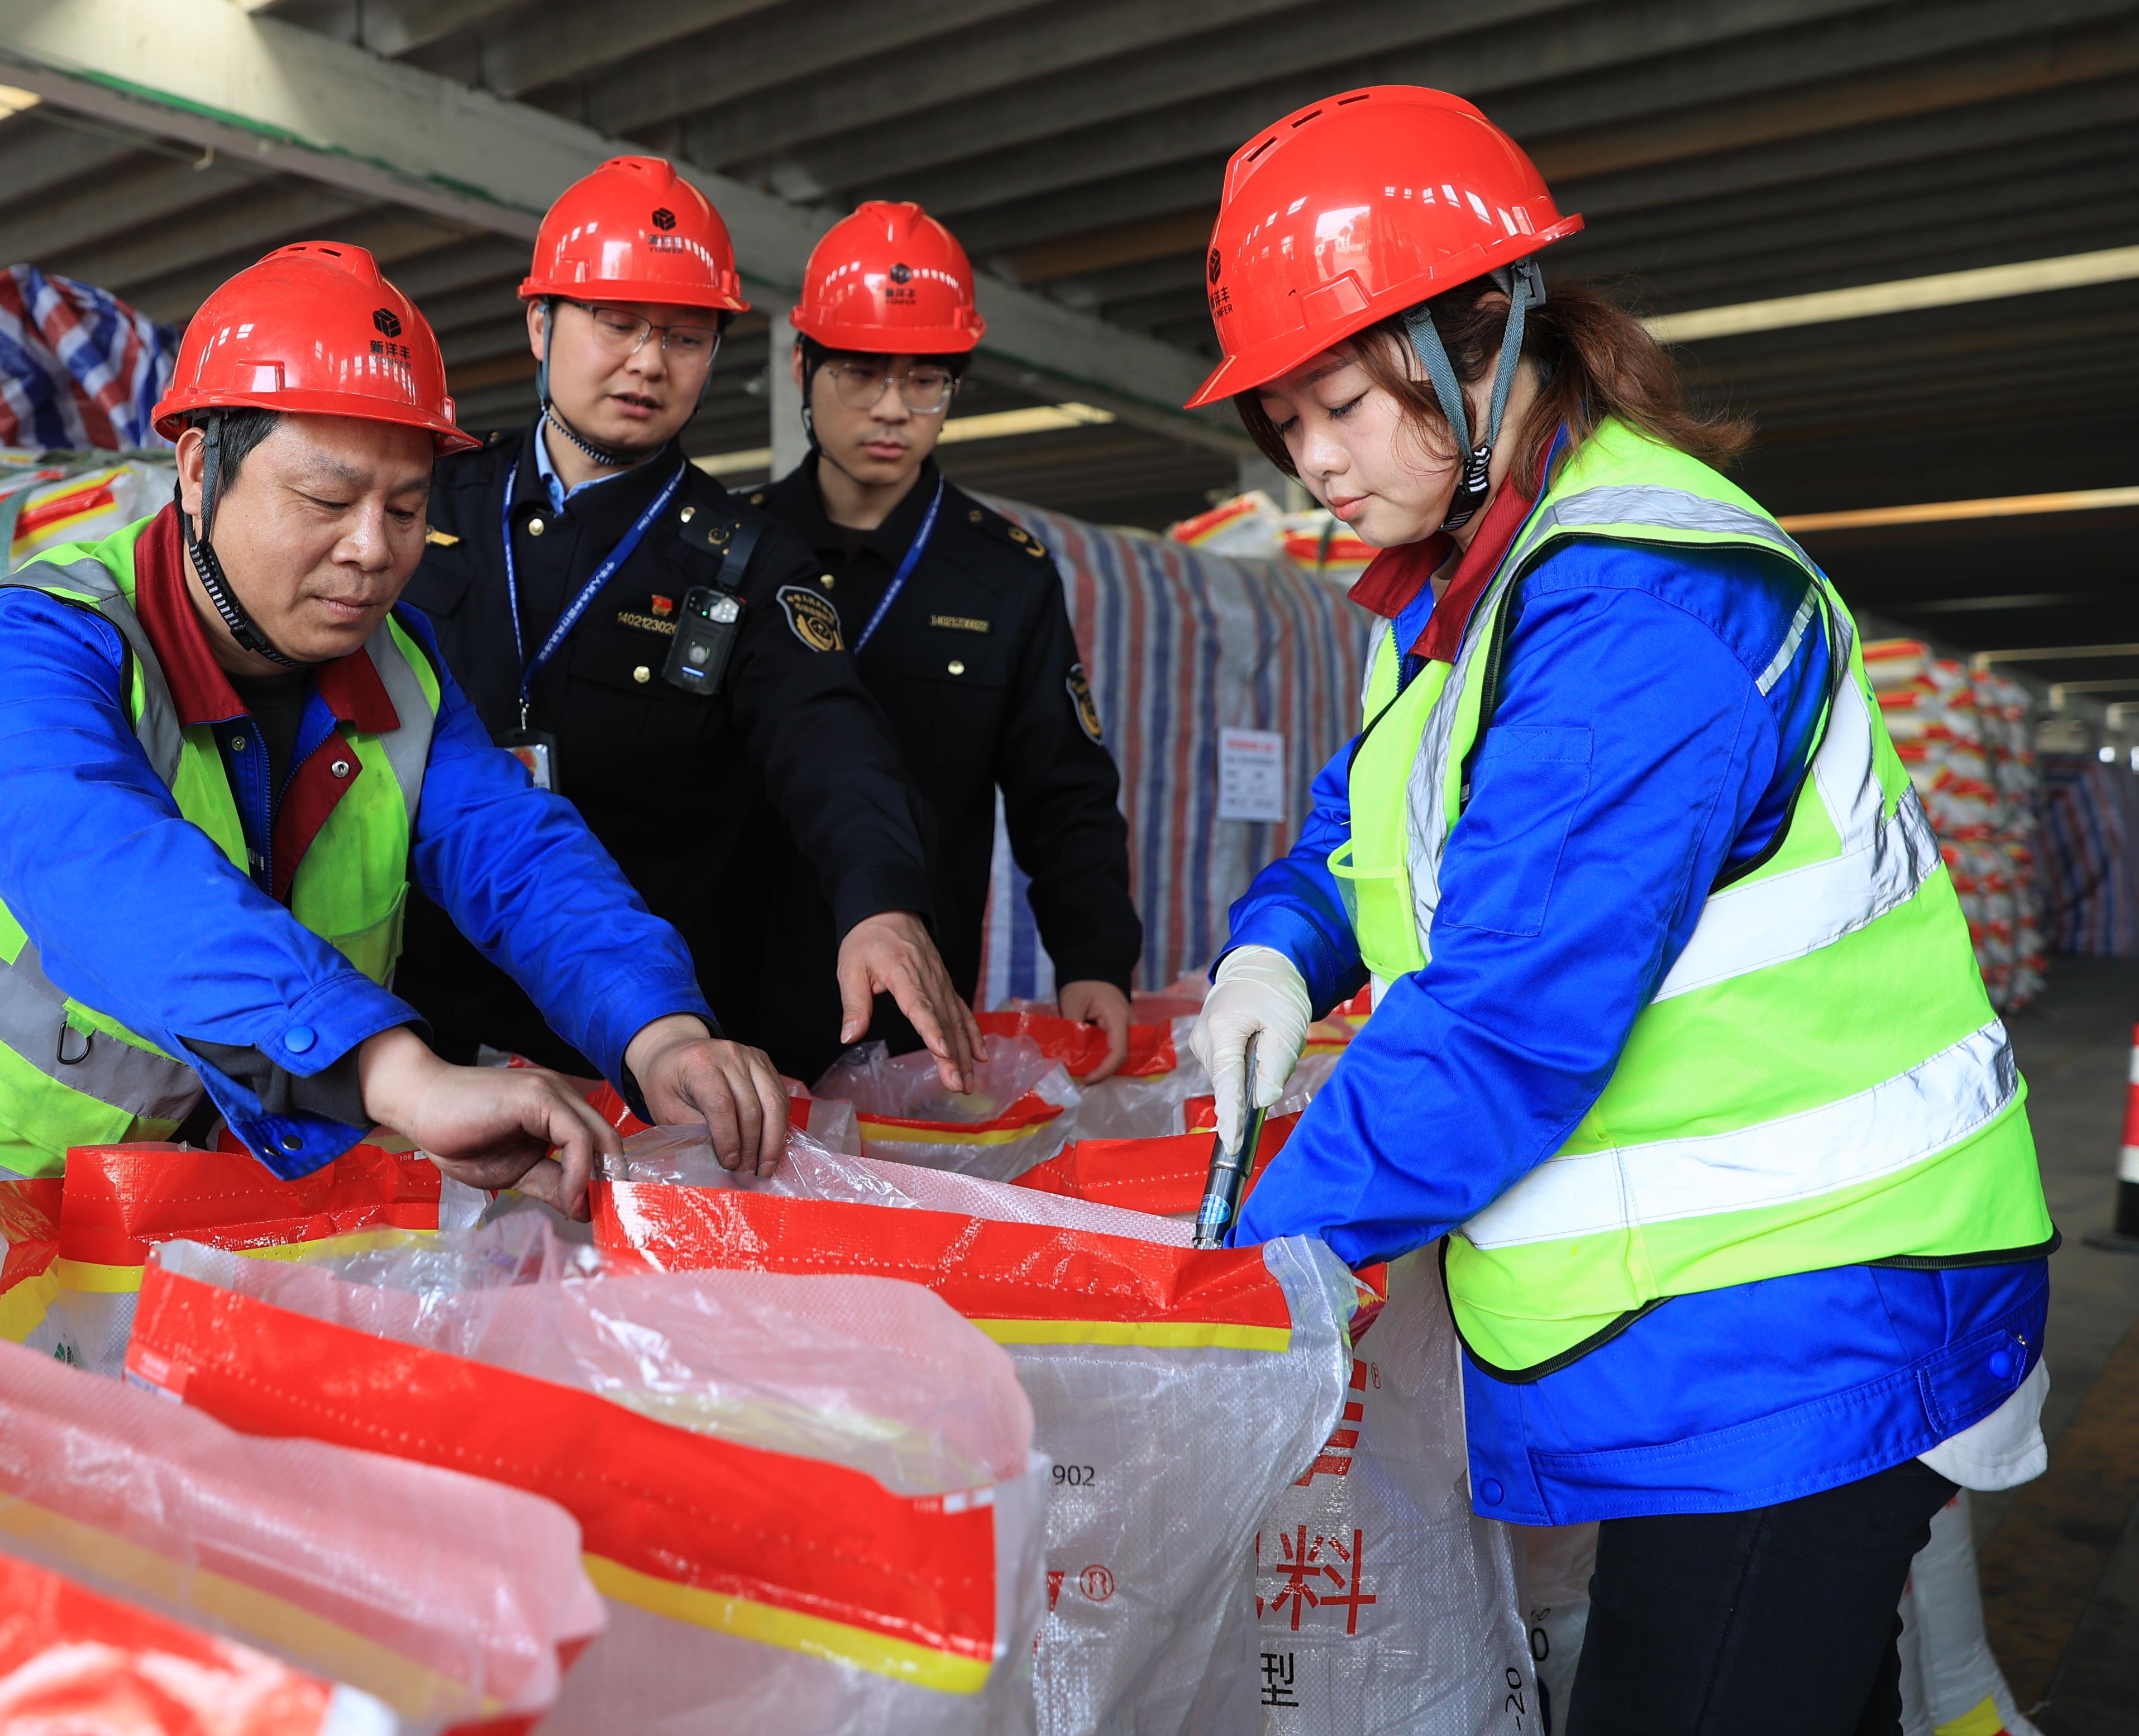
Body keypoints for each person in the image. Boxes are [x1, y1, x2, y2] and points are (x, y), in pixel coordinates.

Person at [1188, 86, 2054, 1735]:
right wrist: (1279, 947)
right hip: (1725, 1322)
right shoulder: (1468, 587)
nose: (1311, 460)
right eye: (1284, 419)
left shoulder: (1637, 604)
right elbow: (1377, 832)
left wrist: (1243, 1269)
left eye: (1344, 403)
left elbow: (1506, 1018)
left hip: (1803, 1313)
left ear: (1483, 340)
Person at [0, 241, 792, 1212]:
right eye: (325, 499)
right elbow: (113, 876)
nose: (371, 550)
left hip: (153, 1214)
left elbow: (517, 855)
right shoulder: (33, 652)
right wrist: (397, 1072)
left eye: (407, 511)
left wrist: (658, 1030)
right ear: (196, 471)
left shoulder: (397, 667)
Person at [396, 156, 981, 1088]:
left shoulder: (747, 561)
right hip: (409, 1016)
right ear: (541, 322)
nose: (646, 362)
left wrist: (882, 903)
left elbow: (831, 740)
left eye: (684, 336)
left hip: (631, 1052)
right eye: (617, 324)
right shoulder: (422, 502)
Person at [748, 200, 1144, 1079]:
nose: (893, 410)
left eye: (926, 379)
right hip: (731, 1004)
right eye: (860, 373)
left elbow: (1064, 792)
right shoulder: (736, 550)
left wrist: (1094, 958)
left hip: (911, 1019)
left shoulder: (1004, 576)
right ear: (801, 366)